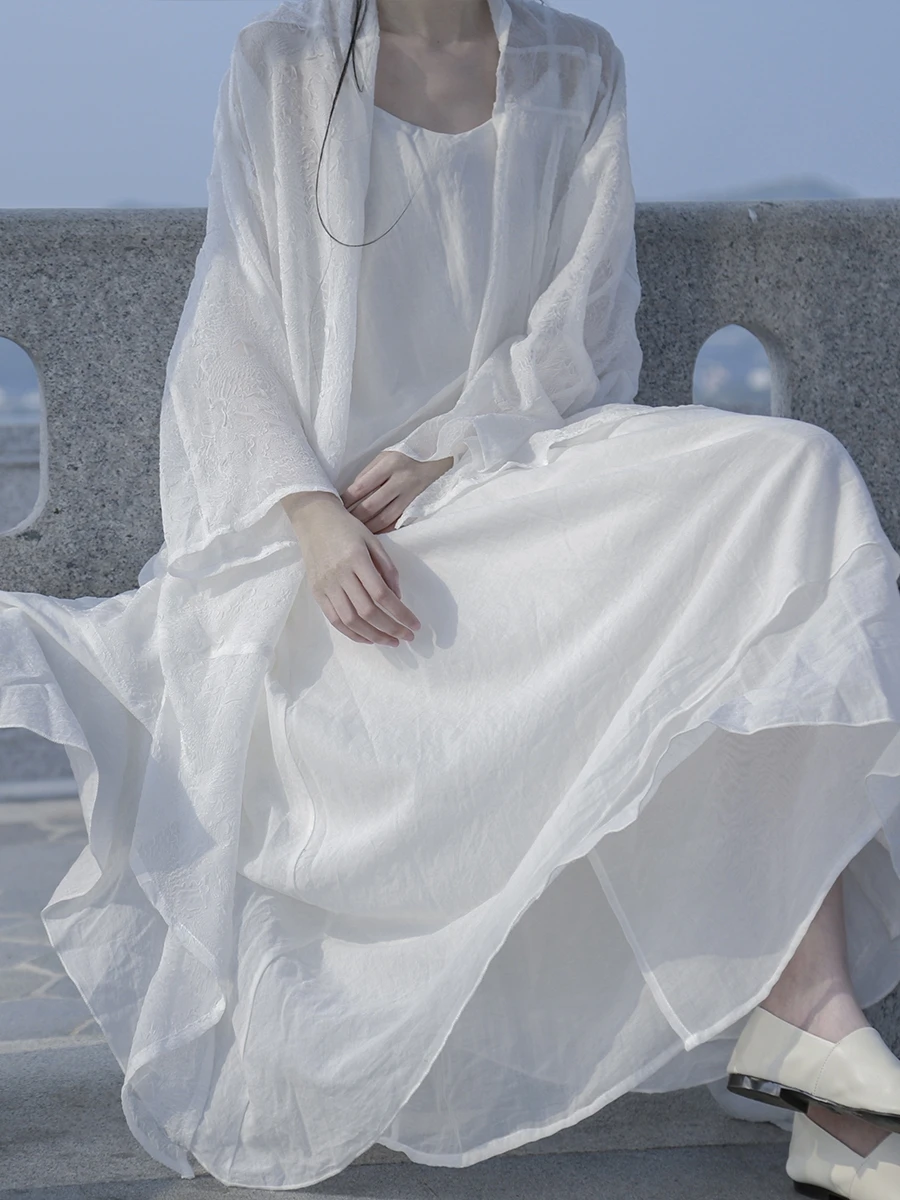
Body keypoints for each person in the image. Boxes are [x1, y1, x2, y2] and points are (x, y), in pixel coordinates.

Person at [2, 0, 900, 1193]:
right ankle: (816, 1046)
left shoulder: (580, 64)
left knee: (793, 484)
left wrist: (464, 442)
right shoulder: (284, 62)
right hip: (344, 532)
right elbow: (233, 325)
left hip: (515, 478)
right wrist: (310, 514)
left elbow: (584, 323)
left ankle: (811, 998)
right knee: (698, 614)